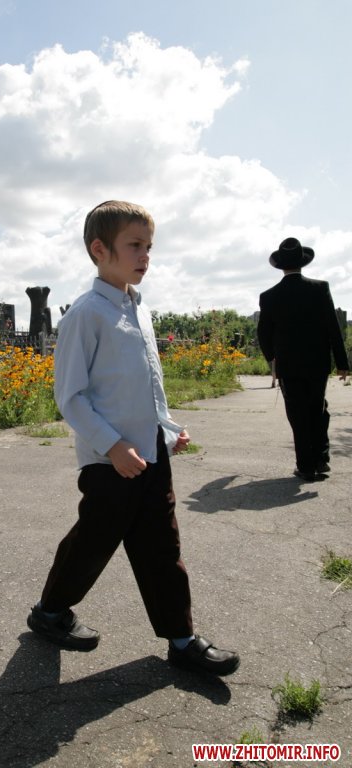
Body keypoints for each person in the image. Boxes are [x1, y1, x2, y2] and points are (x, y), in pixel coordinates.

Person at [27, 200, 240, 676]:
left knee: (163, 548)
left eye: (149, 246)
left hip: (151, 455)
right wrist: (112, 445)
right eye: (135, 245)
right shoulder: (86, 314)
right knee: (93, 543)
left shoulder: (138, 309)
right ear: (99, 250)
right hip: (109, 462)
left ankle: (182, 640)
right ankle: (50, 612)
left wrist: (168, 428)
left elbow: (148, 383)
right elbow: (71, 396)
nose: (145, 255)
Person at [257, 237, 349, 482]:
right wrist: (342, 363)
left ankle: (306, 466)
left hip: (288, 366)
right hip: (318, 363)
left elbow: (263, 334)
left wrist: (272, 360)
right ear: (302, 262)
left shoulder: (269, 296)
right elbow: (333, 327)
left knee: (297, 414)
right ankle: (320, 458)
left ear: (281, 265)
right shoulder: (320, 288)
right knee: (318, 409)